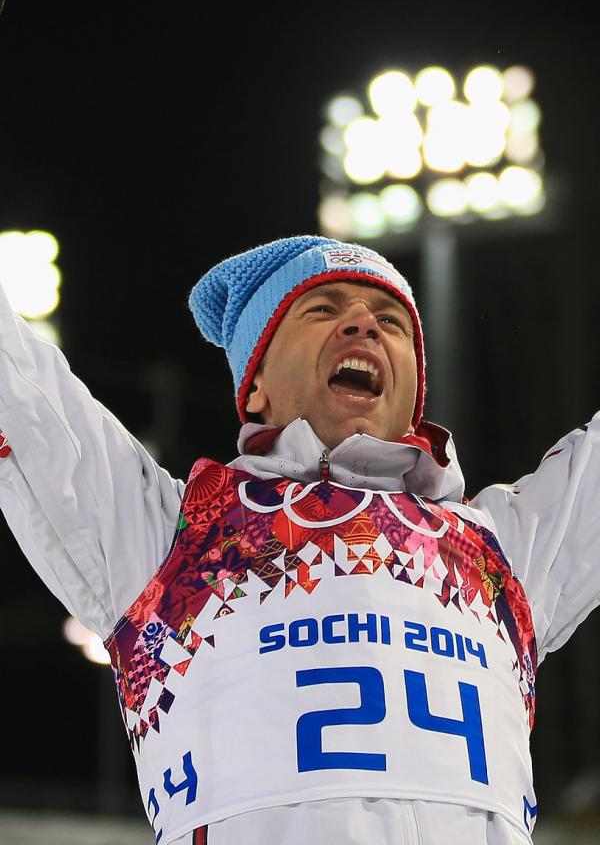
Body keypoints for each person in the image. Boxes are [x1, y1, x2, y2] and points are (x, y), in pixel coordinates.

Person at [1, 234, 599, 845]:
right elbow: (17, 387)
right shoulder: (168, 538)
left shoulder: (502, 553)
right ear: (255, 383)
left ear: (413, 395)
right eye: (322, 309)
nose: (364, 323)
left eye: (391, 320)